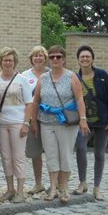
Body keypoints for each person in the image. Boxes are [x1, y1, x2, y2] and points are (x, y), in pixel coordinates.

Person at [31, 45, 89, 203]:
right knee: (50, 155)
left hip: (67, 124)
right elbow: (36, 101)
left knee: (65, 155)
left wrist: (83, 119)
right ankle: (53, 188)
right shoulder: (43, 78)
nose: (55, 60)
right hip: (46, 122)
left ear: (64, 59)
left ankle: (64, 189)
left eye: (58, 57)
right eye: (52, 57)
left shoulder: (71, 77)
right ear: (48, 59)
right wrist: (34, 121)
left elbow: (79, 99)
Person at [73, 45, 108, 201]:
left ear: (92, 59)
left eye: (87, 56)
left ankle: (97, 187)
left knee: (99, 153)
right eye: (82, 57)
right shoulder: (75, 77)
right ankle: (82, 182)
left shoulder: (102, 75)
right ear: (78, 60)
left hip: (102, 121)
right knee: (80, 148)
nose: (85, 59)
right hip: (83, 121)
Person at [0, 48, 33, 204]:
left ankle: (20, 191)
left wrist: (26, 124)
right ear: (0, 62)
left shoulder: (21, 80)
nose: (7, 62)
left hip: (18, 123)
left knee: (19, 157)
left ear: (14, 62)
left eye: (10, 60)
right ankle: (10, 189)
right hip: (2, 123)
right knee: (6, 157)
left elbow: (29, 104)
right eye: (4, 60)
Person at [21, 46, 50, 195]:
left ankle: (55, 183)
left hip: (50, 118)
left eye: (41, 55)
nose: (38, 58)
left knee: (52, 152)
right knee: (35, 153)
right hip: (33, 118)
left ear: (45, 58)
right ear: (31, 58)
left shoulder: (52, 74)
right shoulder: (25, 75)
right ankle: (38, 183)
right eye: (35, 56)